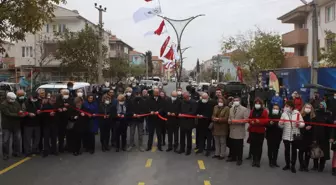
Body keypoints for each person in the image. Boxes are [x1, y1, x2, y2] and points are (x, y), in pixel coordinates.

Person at [279, 100, 305, 173]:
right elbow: (280, 125)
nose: (286, 107)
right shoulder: (284, 114)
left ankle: (293, 165)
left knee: (294, 151)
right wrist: (281, 123)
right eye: (285, 106)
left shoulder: (297, 113)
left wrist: (299, 124)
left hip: (295, 135)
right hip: (286, 135)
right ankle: (287, 165)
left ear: (291, 107)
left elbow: (303, 124)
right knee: (287, 151)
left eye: (287, 106)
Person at [1, 92, 24, 160]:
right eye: (11, 99)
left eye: (14, 99)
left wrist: (21, 112)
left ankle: (16, 152)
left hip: (16, 124)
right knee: (5, 141)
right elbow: (8, 114)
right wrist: (18, 115)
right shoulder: (3, 104)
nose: (13, 100)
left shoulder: (16, 102)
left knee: (17, 139)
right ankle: (5, 154)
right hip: (7, 125)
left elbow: (19, 109)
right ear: (7, 98)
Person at [227, 97, 249, 166]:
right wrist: (229, 121)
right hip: (232, 130)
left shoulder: (244, 109)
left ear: (239, 101)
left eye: (237, 100)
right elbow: (229, 118)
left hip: (239, 130)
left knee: (239, 146)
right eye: (234, 100)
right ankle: (233, 157)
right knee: (232, 145)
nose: (235, 101)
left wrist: (237, 121)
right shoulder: (231, 109)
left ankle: (239, 159)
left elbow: (246, 120)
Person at [312, 102, 332, 172]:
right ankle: (315, 166)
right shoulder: (316, 114)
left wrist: (330, 137)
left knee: (323, 153)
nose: (321, 107)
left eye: (322, 106)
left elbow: (330, 126)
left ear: (325, 107)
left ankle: (321, 167)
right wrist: (314, 137)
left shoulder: (328, 115)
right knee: (315, 151)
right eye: (320, 105)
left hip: (325, 137)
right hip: (316, 136)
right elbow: (313, 126)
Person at [248, 98, 269, 167]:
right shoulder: (252, 111)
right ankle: (254, 160)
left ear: (261, 104)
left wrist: (259, 121)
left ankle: (258, 161)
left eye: (258, 103)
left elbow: (266, 120)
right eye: (256, 103)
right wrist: (251, 121)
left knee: (259, 146)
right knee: (253, 146)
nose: (257, 105)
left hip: (260, 131)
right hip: (253, 130)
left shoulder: (264, 111)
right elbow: (249, 119)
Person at [298, 103, 315, 171]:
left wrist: (311, 127)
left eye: (309, 108)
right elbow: (298, 125)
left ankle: (306, 166)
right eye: (306, 107)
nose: (308, 109)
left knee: (307, 152)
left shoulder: (313, 117)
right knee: (301, 151)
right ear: (304, 108)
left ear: (311, 109)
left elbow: (315, 127)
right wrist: (304, 128)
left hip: (309, 137)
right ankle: (301, 165)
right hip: (302, 136)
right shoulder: (300, 115)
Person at [56, 89, 72, 153]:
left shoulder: (70, 99)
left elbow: (73, 106)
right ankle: (60, 148)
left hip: (68, 119)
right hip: (61, 119)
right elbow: (56, 107)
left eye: (66, 93)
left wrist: (68, 107)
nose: (65, 95)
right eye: (64, 93)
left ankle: (68, 146)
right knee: (61, 135)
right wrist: (61, 107)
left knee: (69, 134)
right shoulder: (58, 99)